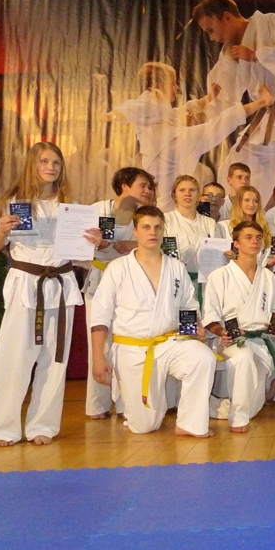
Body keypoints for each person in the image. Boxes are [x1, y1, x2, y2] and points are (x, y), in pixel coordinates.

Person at [0, 142, 95, 446]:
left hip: (60, 284)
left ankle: (42, 425)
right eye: (44, 161)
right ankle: (4, 428)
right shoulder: (11, 202)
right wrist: (2, 231)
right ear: (32, 164)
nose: (51, 167)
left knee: (54, 359)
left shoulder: (70, 206)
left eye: (56, 162)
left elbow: (81, 253)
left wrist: (94, 241)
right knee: (13, 357)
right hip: (25, 283)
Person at [90, 206, 217, 436]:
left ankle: (189, 424)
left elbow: (188, 305)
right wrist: (98, 357)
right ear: (135, 231)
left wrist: (193, 330)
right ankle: (138, 412)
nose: (153, 232)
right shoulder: (118, 268)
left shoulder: (176, 267)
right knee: (145, 426)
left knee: (203, 357)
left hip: (169, 343)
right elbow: (100, 316)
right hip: (133, 349)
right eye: (146, 227)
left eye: (158, 227)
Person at [104, 61, 273, 210]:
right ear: (157, 84)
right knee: (217, 126)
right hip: (170, 146)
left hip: (161, 158)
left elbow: (183, 110)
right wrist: (112, 115)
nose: (176, 88)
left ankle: (165, 219)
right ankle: (262, 101)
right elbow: (131, 109)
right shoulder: (149, 98)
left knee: (166, 198)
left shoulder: (161, 109)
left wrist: (208, 98)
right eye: (172, 84)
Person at [192, 0, 275, 202]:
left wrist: (255, 55)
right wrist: (201, 114)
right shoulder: (229, 52)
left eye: (211, 30)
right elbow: (223, 94)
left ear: (227, 17)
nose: (212, 38)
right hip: (265, 120)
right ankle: (233, 217)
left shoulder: (269, 22)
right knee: (233, 168)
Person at [84, 167, 154, 419]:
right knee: (99, 343)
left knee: (127, 343)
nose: (148, 191)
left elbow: (161, 244)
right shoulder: (97, 210)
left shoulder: (145, 216)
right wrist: (99, 244)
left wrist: (135, 243)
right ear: (125, 185)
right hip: (100, 280)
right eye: (143, 185)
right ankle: (97, 404)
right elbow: (79, 243)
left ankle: (127, 403)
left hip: (131, 284)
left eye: (149, 187)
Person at [203, 221, 275, 432]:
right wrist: (221, 332)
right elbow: (210, 316)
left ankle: (218, 407)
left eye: (258, 238)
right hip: (231, 340)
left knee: (253, 408)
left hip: (262, 341)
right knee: (244, 356)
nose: (254, 242)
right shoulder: (219, 276)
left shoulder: (268, 277)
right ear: (236, 244)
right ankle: (238, 418)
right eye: (248, 237)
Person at [163, 175, 218, 294]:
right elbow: (165, 255)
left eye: (192, 190)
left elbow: (216, 258)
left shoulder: (210, 223)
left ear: (199, 195)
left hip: (204, 285)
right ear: (174, 195)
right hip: (174, 282)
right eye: (182, 190)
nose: (187, 194)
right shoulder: (166, 220)